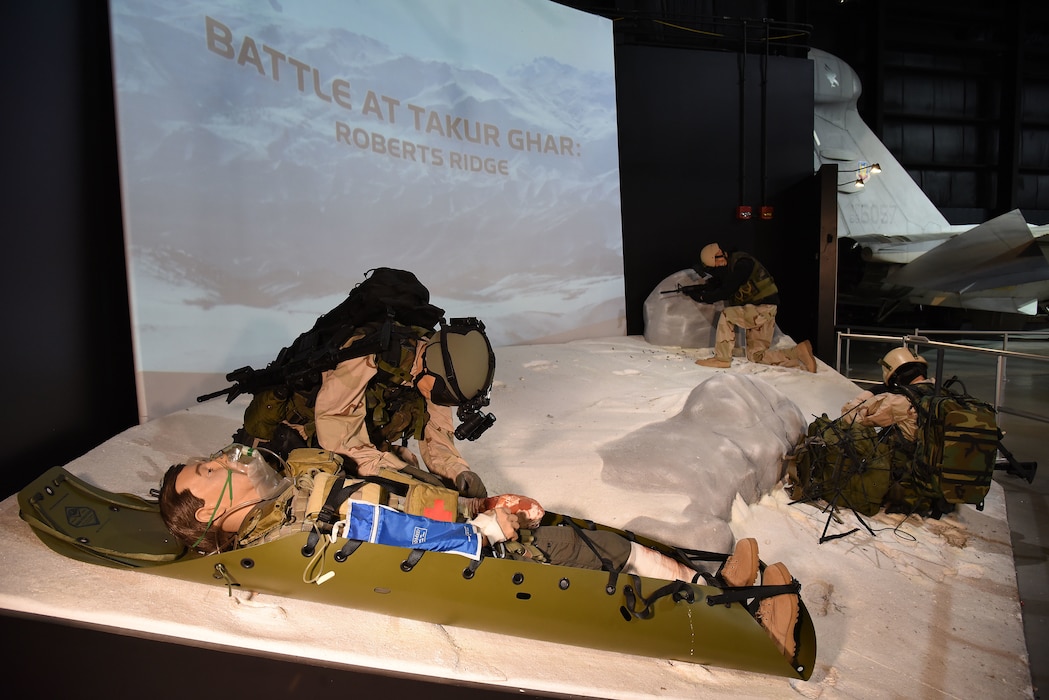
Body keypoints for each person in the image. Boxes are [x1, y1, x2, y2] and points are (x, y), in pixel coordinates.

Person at [158, 445, 800, 660]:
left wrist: (475, 507)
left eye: (214, 459)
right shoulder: (302, 520)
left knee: (592, 538)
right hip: (479, 561)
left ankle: (713, 585)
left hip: (460, 532)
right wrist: (486, 528)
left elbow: (402, 503)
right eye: (213, 472)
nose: (227, 460)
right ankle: (743, 619)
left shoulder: (298, 492)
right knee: (601, 552)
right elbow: (400, 539)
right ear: (214, 515)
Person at [237, 317, 496, 499]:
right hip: (293, 443)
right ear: (432, 364)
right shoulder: (366, 352)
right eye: (443, 394)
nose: (441, 400)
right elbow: (338, 428)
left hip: (356, 445)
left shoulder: (434, 369)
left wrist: (459, 473)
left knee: (406, 467)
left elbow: (437, 437)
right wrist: (397, 471)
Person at [687, 242, 817, 373]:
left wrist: (703, 297)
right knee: (756, 356)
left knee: (727, 315)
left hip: (762, 309)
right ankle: (799, 353)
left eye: (717, 263)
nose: (719, 266)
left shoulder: (742, 264)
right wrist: (710, 288)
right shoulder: (737, 264)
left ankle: (722, 359)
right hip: (764, 310)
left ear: (718, 253)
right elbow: (730, 287)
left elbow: (726, 291)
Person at [839, 346, 933, 442]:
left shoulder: (895, 402)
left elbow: (849, 417)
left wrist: (872, 392)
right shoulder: (939, 391)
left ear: (896, 378)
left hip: (908, 455)